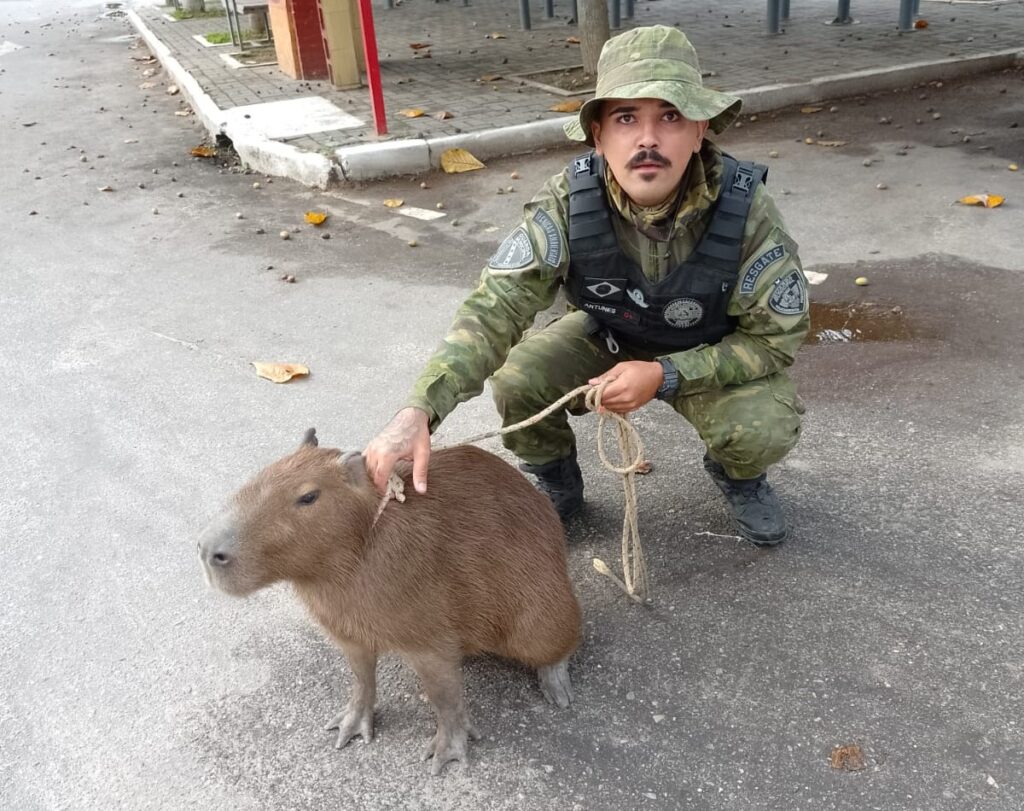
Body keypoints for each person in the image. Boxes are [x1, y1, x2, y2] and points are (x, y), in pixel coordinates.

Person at [365, 25, 808, 546]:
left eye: (670, 116)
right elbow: (495, 307)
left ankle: (741, 479)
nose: (648, 139)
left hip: (707, 350)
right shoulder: (568, 201)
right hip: (609, 334)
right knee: (517, 380)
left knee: (762, 427)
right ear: (599, 134)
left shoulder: (745, 209)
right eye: (626, 119)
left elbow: (775, 339)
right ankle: (557, 483)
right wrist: (418, 409)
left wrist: (663, 374)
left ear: (699, 129)